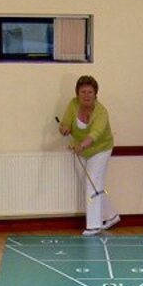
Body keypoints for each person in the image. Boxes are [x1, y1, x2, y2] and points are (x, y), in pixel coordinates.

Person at [57, 75, 120, 236]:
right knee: (91, 183)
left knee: (91, 184)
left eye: (90, 92)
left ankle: (94, 225)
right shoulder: (73, 104)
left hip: (100, 149)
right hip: (81, 150)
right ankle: (111, 216)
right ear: (77, 94)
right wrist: (64, 128)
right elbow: (65, 123)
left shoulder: (101, 112)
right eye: (83, 92)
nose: (86, 95)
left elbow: (95, 134)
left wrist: (81, 145)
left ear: (95, 94)